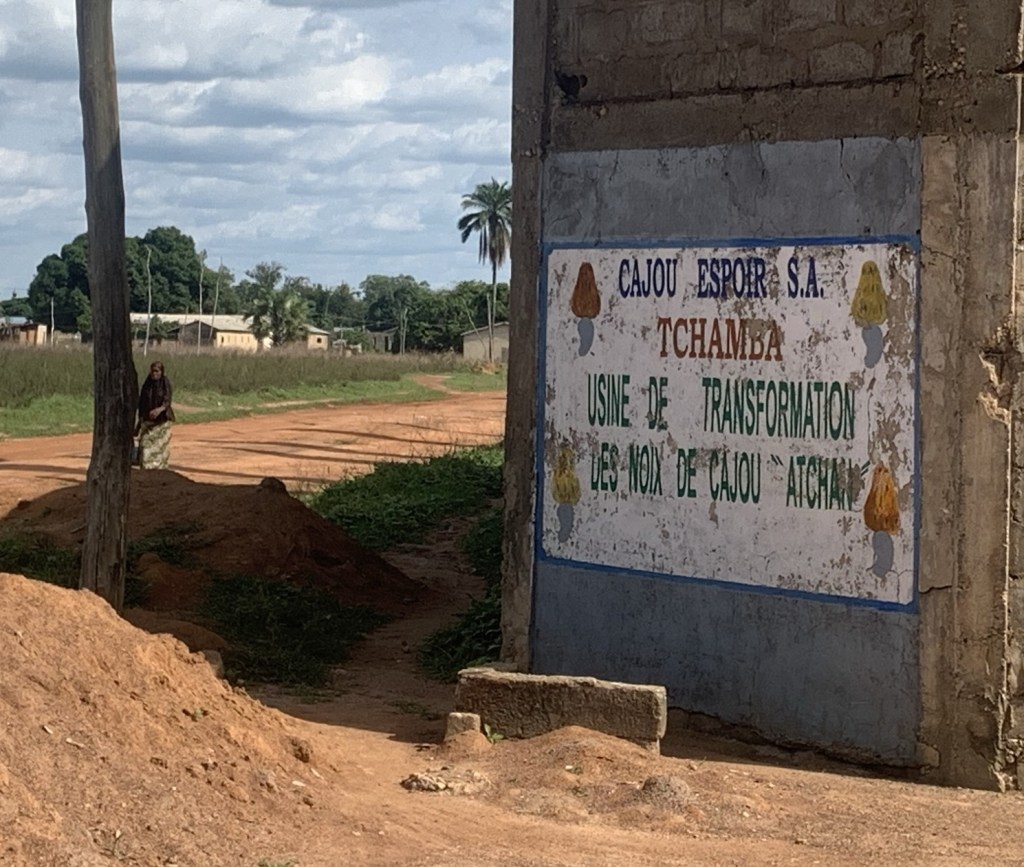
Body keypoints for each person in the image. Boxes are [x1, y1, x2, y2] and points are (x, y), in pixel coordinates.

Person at [134, 360, 175, 469]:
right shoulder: (147, 385)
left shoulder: (165, 383)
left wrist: (159, 410)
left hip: (161, 424)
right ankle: (147, 471)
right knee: (145, 446)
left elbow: (167, 401)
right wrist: (138, 426)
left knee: (161, 450)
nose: (154, 374)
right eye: (152, 371)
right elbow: (142, 405)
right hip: (148, 423)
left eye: (157, 371)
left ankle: (160, 472)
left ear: (161, 372)